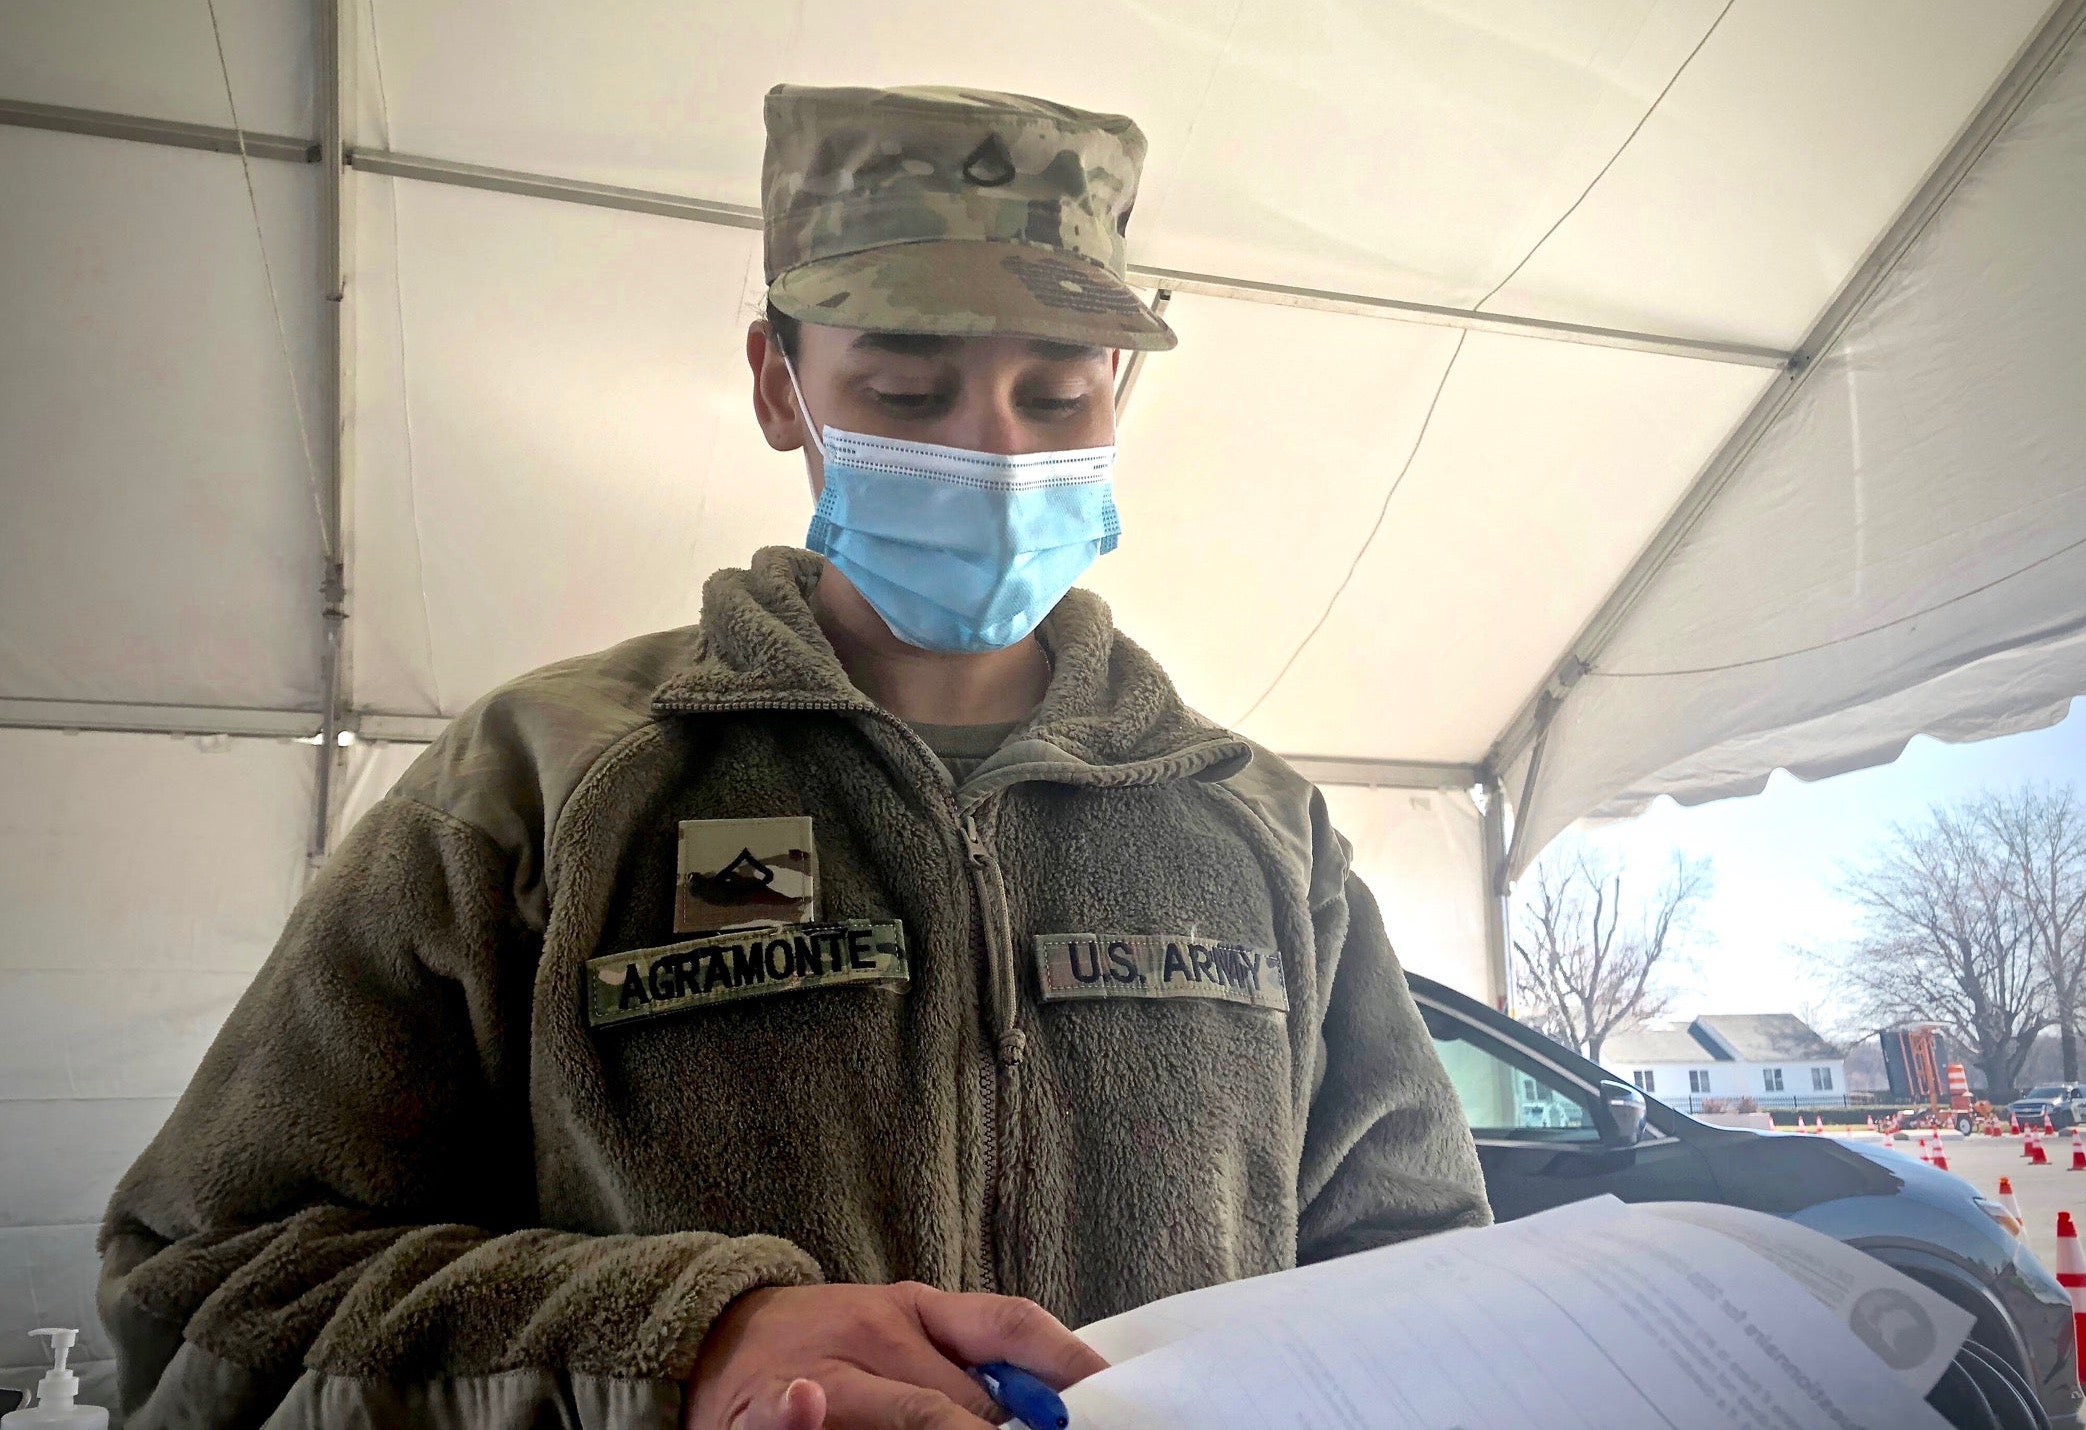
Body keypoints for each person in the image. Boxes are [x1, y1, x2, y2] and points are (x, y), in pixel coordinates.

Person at [97, 83, 1490, 1430]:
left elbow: (1428, 1289)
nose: (993, 454)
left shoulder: (1252, 828)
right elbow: (204, 1297)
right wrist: (682, 1341)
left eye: (1057, 396)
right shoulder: (547, 787)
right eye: (904, 387)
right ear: (780, 386)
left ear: (1119, 389)